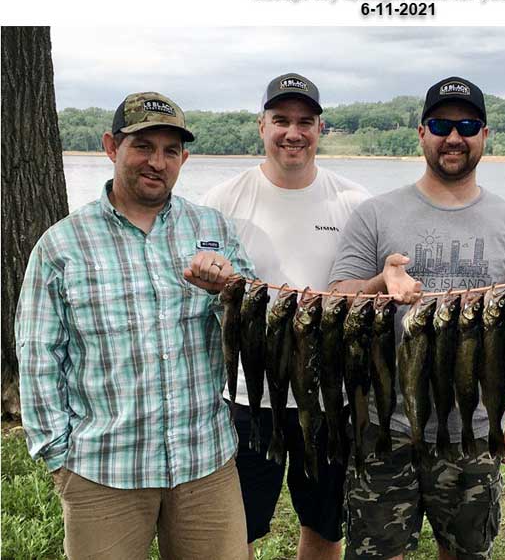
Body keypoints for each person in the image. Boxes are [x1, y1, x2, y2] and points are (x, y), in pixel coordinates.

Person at [15, 92, 255, 559]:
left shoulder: (213, 229)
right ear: (111, 147)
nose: (157, 162)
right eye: (143, 146)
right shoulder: (61, 246)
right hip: (105, 469)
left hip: (204, 461)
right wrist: (58, 457)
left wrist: (226, 294)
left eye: (170, 151)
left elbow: (251, 331)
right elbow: (39, 353)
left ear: (184, 159)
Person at [328, 76, 505, 560]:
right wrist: (377, 284)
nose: (454, 137)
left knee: (466, 552)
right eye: (441, 124)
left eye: (468, 125)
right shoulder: (375, 214)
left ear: (485, 134)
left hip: (473, 430)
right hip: (384, 427)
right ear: (421, 132)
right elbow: (338, 297)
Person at [201, 72, 370, 560]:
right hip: (245, 395)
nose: (292, 132)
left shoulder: (355, 202)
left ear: (321, 129)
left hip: (329, 397)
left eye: (305, 121)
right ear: (261, 126)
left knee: (324, 524)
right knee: (239, 527)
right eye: (280, 120)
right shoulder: (222, 200)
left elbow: (365, 287)